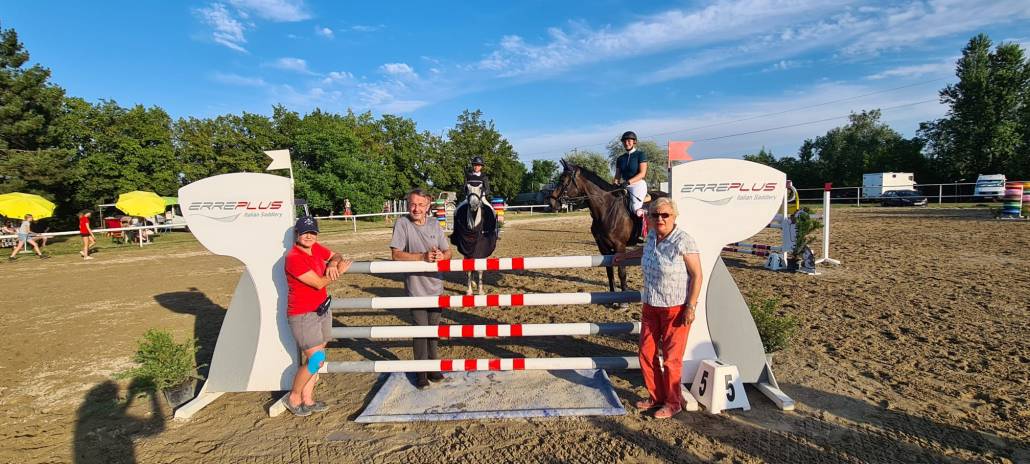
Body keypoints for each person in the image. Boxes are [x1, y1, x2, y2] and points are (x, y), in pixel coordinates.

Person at [614, 197, 702, 419]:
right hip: (651, 306)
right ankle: (657, 397)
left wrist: (690, 306)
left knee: (672, 360)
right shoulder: (652, 235)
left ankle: (674, 402)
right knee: (646, 353)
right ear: (650, 218)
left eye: (665, 215)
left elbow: (697, 275)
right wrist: (624, 256)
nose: (660, 219)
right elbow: (644, 252)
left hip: (676, 308)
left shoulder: (684, 241)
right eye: (655, 215)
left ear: (674, 216)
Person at [280, 216, 352, 417]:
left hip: (321, 310)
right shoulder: (293, 258)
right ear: (297, 234)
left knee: (316, 358)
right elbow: (318, 284)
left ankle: (308, 399)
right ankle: (293, 397)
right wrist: (339, 271)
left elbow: (336, 254)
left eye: (313, 232)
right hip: (303, 315)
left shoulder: (316, 248)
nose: (309, 236)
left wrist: (333, 263)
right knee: (317, 359)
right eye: (304, 232)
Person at [389, 188, 452, 389]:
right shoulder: (402, 223)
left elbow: (448, 251)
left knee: (433, 331)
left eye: (420, 205)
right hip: (415, 289)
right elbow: (396, 255)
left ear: (428, 207)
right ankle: (421, 373)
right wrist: (422, 257)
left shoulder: (435, 224)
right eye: (413, 204)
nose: (416, 208)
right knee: (420, 331)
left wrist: (443, 256)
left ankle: (434, 368)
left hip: (436, 287)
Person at [613, 131, 649, 236]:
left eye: (629, 141)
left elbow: (642, 173)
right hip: (624, 185)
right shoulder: (620, 158)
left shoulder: (640, 155)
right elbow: (617, 175)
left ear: (634, 142)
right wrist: (615, 184)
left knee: (636, 209)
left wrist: (628, 182)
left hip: (637, 184)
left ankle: (642, 233)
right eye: (624, 141)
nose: (626, 143)